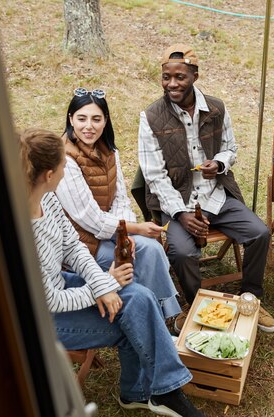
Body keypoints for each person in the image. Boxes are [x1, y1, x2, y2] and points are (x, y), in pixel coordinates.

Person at [20, 128, 206, 417]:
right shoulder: (24, 230)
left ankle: (155, 391)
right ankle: (154, 392)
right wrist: (104, 283)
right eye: (63, 166)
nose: (66, 170)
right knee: (131, 319)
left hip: (62, 287)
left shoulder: (46, 198)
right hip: (42, 320)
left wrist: (102, 285)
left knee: (139, 299)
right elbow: (51, 301)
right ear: (47, 173)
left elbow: (72, 245)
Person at [138, 43, 274, 334]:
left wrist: (220, 163)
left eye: (180, 77)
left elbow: (230, 147)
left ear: (195, 76)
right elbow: (154, 176)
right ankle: (196, 304)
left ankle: (250, 296)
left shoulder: (216, 108)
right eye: (166, 77)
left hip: (216, 196)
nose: (172, 84)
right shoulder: (151, 116)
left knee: (260, 233)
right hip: (179, 202)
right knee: (183, 252)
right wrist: (181, 214)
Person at [55, 88, 181, 321]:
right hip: (80, 243)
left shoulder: (109, 150)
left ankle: (163, 312)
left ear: (106, 120)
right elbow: (89, 218)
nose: (88, 126)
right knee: (135, 260)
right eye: (81, 119)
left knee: (149, 248)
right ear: (70, 119)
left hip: (107, 229)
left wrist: (125, 234)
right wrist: (135, 229)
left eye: (96, 119)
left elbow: (120, 198)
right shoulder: (65, 159)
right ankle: (156, 315)